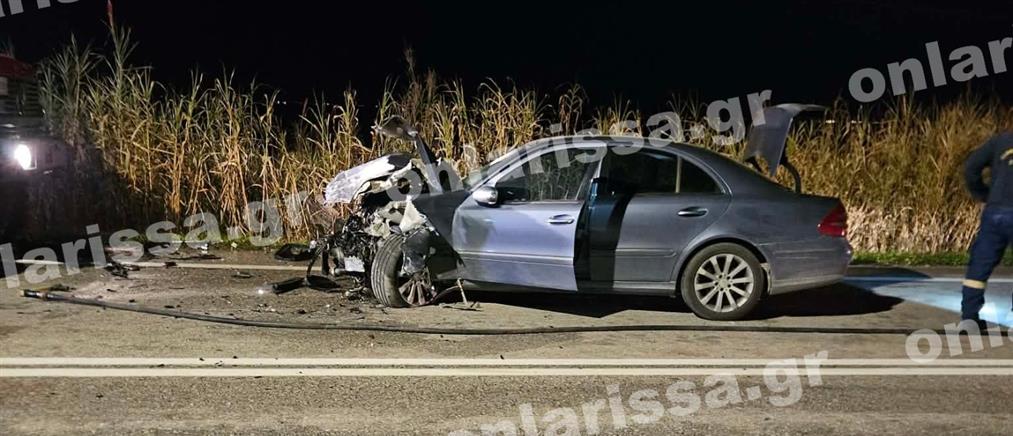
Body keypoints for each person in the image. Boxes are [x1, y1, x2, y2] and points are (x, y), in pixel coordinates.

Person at [960, 132, 1013, 324]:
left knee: (979, 268)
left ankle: (969, 318)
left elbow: (971, 168)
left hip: (995, 211)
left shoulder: (1001, 141)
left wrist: (983, 194)